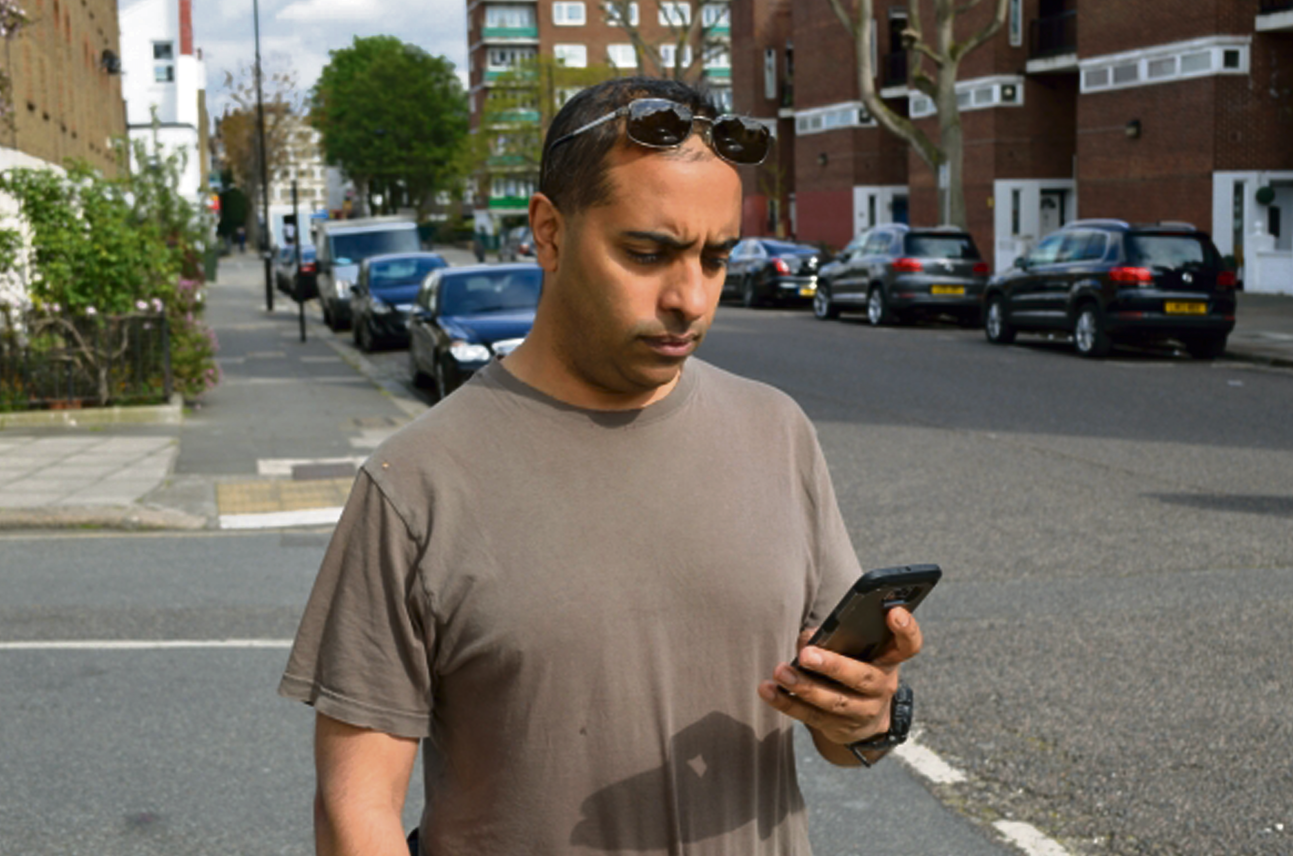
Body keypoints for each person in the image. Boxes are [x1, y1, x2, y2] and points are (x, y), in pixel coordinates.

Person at [279, 76, 924, 856]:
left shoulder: (776, 430)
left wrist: (865, 719)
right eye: (647, 253)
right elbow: (356, 807)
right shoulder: (414, 482)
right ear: (548, 233)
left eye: (715, 258)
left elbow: (842, 731)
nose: (690, 298)